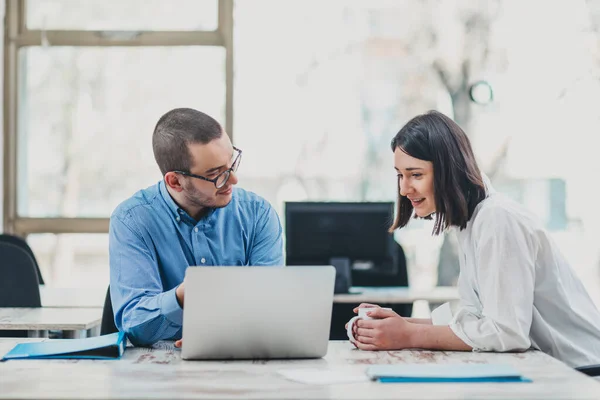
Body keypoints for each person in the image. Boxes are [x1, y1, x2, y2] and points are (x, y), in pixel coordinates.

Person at [349, 110, 600, 368]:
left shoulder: (497, 219)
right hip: (554, 370)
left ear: (447, 170)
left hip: (582, 374)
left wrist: (409, 334)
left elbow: (506, 333)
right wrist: (401, 324)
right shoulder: (472, 222)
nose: (403, 188)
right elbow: (476, 318)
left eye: (416, 175)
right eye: (400, 175)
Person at [109, 108, 284, 346]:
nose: (233, 180)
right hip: (160, 368)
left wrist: (218, 335)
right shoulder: (132, 221)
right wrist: (183, 296)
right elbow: (134, 325)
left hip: (242, 360)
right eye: (215, 174)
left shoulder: (258, 214)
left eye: (232, 163)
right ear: (175, 181)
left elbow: (272, 310)